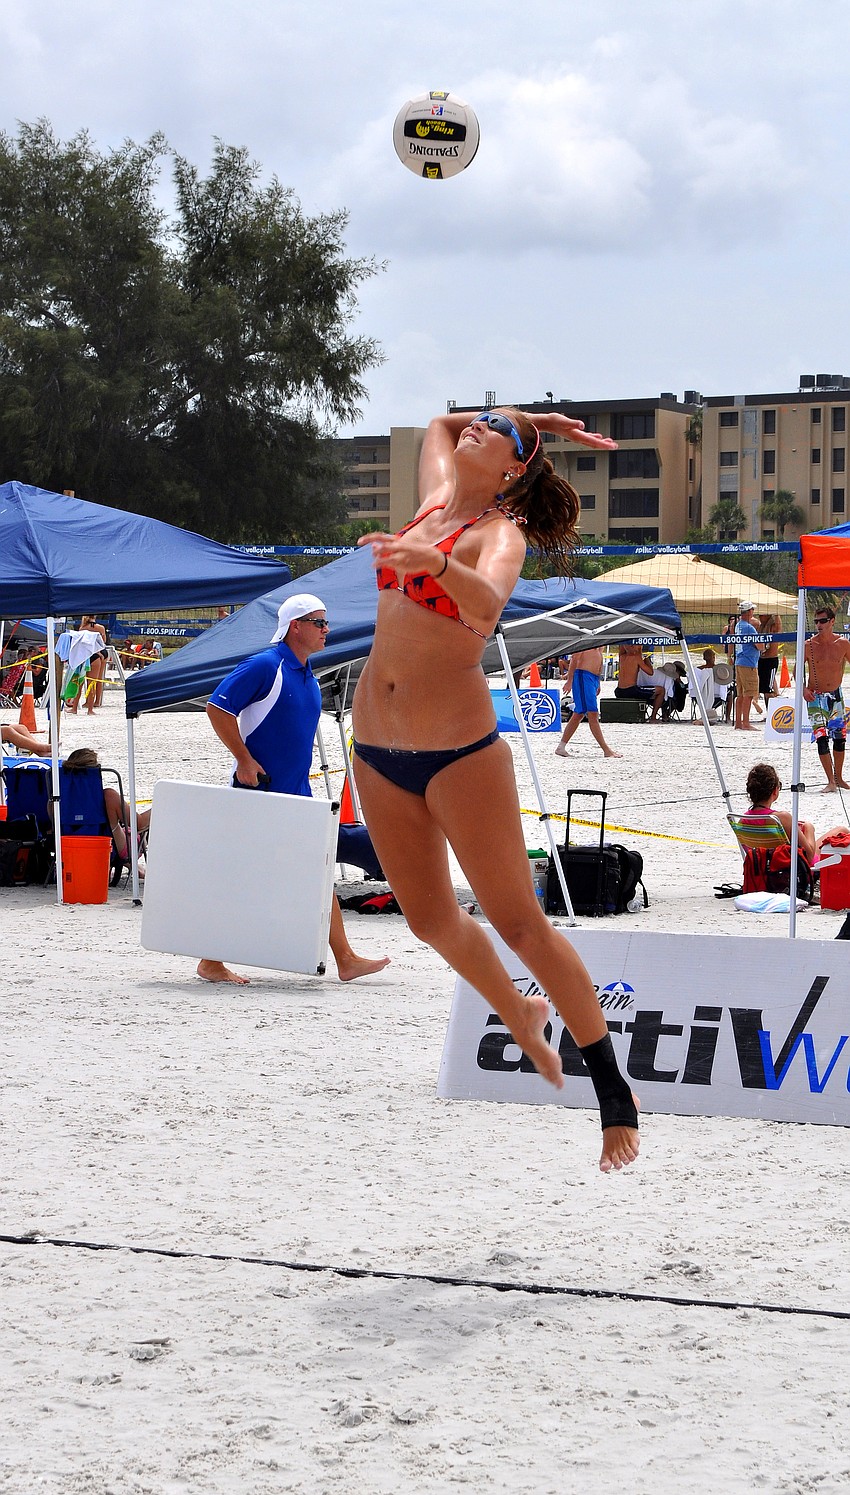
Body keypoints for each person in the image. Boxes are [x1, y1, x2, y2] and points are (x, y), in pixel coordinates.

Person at [354, 406, 639, 1173]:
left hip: (457, 752)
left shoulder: (496, 535)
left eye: (497, 431)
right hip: (377, 746)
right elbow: (439, 422)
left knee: (521, 926)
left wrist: (434, 564)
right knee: (428, 920)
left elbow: (487, 606)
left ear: (513, 470)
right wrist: (534, 416)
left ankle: (612, 1089)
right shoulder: (432, 500)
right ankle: (519, 1012)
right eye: (481, 419)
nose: (475, 427)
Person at [197, 594, 390, 986]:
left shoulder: (307, 673)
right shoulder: (266, 665)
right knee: (246, 877)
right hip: (262, 794)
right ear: (294, 626)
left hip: (296, 796)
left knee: (316, 872)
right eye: (319, 622)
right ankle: (211, 961)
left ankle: (346, 958)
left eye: (326, 622)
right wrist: (244, 759)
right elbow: (218, 708)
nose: (326, 630)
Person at [60, 747, 151, 859]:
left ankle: (136, 869)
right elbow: (139, 823)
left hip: (69, 849)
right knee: (135, 830)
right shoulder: (109, 796)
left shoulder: (58, 798)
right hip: (107, 850)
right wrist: (160, 806)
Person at [802, 605, 850, 792]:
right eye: (816, 621)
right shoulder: (809, 645)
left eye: (822, 621)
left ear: (832, 622)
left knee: (839, 739)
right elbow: (798, 671)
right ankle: (830, 781)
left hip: (836, 696)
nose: (819, 625)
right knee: (822, 738)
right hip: (816, 697)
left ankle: (838, 778)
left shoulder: (843, 643)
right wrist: (804, 690)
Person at [743, 762, 817, 865]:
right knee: (841, 831)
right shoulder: (781, 818)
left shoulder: (743, 820)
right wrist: (809, 828)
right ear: (775, 791)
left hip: (762, 872)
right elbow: (808, 856)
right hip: (793, 871)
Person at [554, 645, 621, 758]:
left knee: (579, 713)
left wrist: (598, 681)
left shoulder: (599, 640)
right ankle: (606, 750)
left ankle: (561, 747)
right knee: (592, 713)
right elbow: (575, 658)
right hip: (583, 676)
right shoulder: (586, 640)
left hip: (592, 678)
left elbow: (599, 659)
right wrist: (570, 681)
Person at [615, 644, 664, 721]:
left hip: (618, 691)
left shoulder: (621, 657)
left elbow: (622, 645)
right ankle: (653, 717)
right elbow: (650, 672)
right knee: (661, 690)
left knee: (642, 689)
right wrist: (646, 659)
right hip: (631, 690)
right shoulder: (636, 657)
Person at [734, 601, 763, 731]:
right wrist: (765, 646)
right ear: (749, 611)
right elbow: (759, 645)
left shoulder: (738, 625)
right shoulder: (749, 628)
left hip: (739, 661)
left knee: (740, 694)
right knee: (749, 694)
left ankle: (738, 723)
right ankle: (746, 723)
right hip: (748, 662)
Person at [757, 612, 782, 715]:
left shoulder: (773, 626)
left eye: (762, 614)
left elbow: (778, 624)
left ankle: (771, 714)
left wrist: (776, 611)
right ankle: (769, 713)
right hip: (761, 660)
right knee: (763, 690)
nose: (759, 616)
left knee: (769, 690)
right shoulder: (761, 627)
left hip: (770, 661)